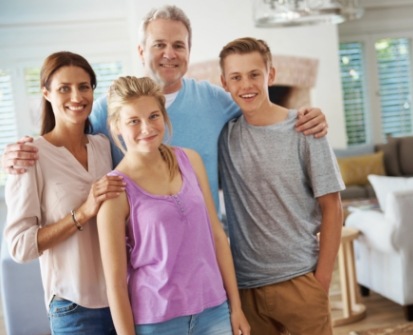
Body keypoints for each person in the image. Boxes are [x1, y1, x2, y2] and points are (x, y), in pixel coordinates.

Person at [1, 5, 329, 212]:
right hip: (142, 260)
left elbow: (260, 112)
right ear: (141, 50)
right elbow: (63, 144)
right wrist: (13, 156)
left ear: (189, 51)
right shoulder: (108, 109)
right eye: (159, 44)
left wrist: (301, 116)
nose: (169, 54)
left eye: (178, 45)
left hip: (206, 250)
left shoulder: (215, 101)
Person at [96, 75, 250, 335]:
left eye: (154, 115)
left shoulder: (190, 160)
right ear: (116, 126)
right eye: (133, 121)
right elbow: (116, 285)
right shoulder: (114, 191)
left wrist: (235, 307)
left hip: (213, 310)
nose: (147, 127)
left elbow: (216, 235)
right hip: (156, 324)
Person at [218, 37, 345, 335]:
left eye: (254, 74)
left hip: (301, 280)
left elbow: (333, 207)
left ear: (270, 76)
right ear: (224, 83)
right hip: (247, 288)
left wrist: (322, 282)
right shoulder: (224, 136)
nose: (246, 85)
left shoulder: (305, 130)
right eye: (236, 77)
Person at [3, 51, 125, 335]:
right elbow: (20, 247)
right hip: (73, 309)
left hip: (121, 301)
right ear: (45, 93)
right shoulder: (32, 155)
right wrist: (82, 213)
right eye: (64, 88)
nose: (76, 96)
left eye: (84, 86)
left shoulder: (104, 146)